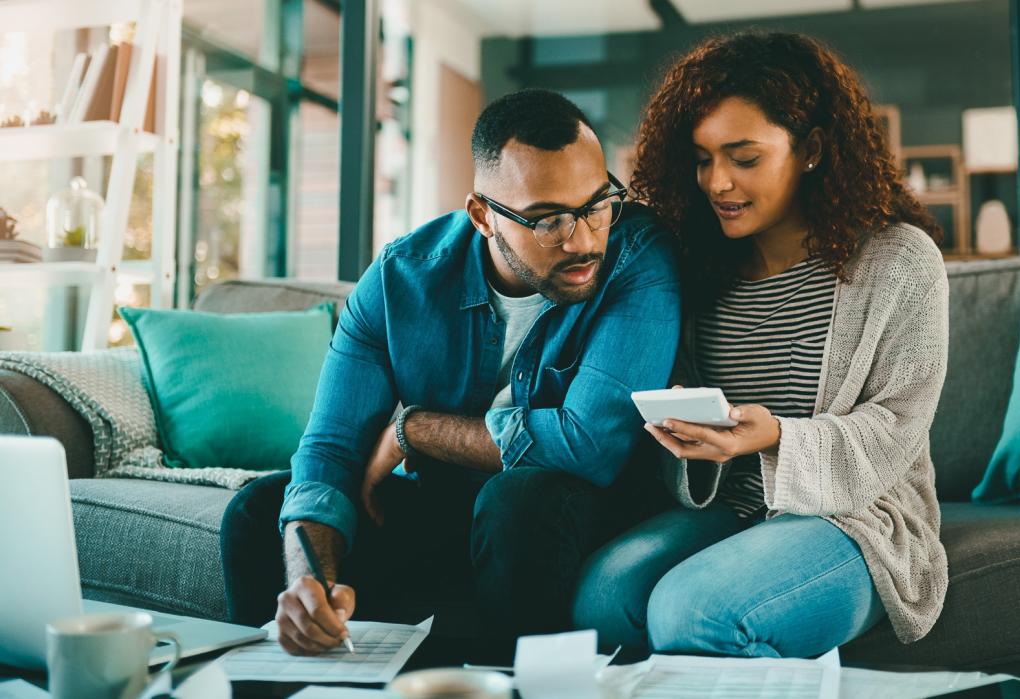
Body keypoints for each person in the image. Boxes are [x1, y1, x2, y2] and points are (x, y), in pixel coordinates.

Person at [220, 88, 680, 656]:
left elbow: (590, 443)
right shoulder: (401, 280)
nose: (583, 239)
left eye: (596, 204)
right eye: (546, 220)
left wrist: (417, 429)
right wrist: (309, 581)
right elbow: (330, 451)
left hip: (572, 512)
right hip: (450, 509)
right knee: (260, 511)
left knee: (520, 498)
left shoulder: (637, 257)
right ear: (483, 216)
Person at [573, 31, 950, 658]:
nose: (718, 183)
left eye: (744, 158)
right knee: (601, 599)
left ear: (812, 150)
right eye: (701, 159)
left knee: (692, 613)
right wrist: (685, 432)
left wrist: (776, 435)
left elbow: (896, 428)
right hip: (733, 508)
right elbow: (693, 449)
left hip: (854, 520)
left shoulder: (899, 262)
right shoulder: (698, 268)